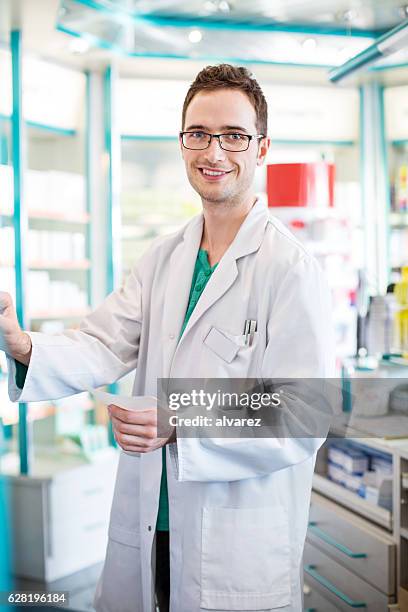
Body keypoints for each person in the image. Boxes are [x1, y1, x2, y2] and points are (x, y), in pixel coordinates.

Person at [0, 64, 334, 612]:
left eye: (234, 136)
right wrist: (22, 346)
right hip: (151, 525)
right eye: (198, 134)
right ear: (182, 144)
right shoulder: (165, 257)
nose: (214, 152)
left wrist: (182, 423)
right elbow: (103, 343)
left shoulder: (290, 268)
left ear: (262, 147)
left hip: (235, 546)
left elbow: (305, 413)